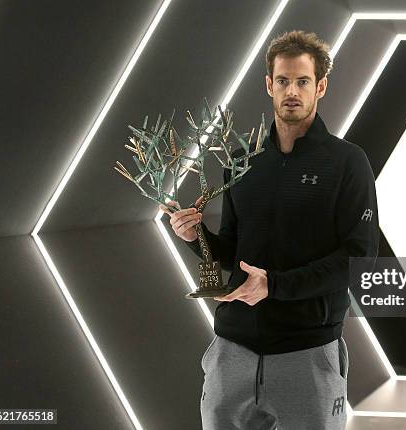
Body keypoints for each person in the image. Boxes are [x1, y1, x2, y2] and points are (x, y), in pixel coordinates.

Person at [160, 30, 379, 430]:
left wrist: (273, 285)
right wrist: (196, 239)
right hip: (232, 351)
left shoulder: (348, 162)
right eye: (283, 81)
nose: (291, 91)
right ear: (268, 85)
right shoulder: (242, 161)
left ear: (321, 86)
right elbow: (233, 250)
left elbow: (359, 259)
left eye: (302, 81)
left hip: (307, 353)